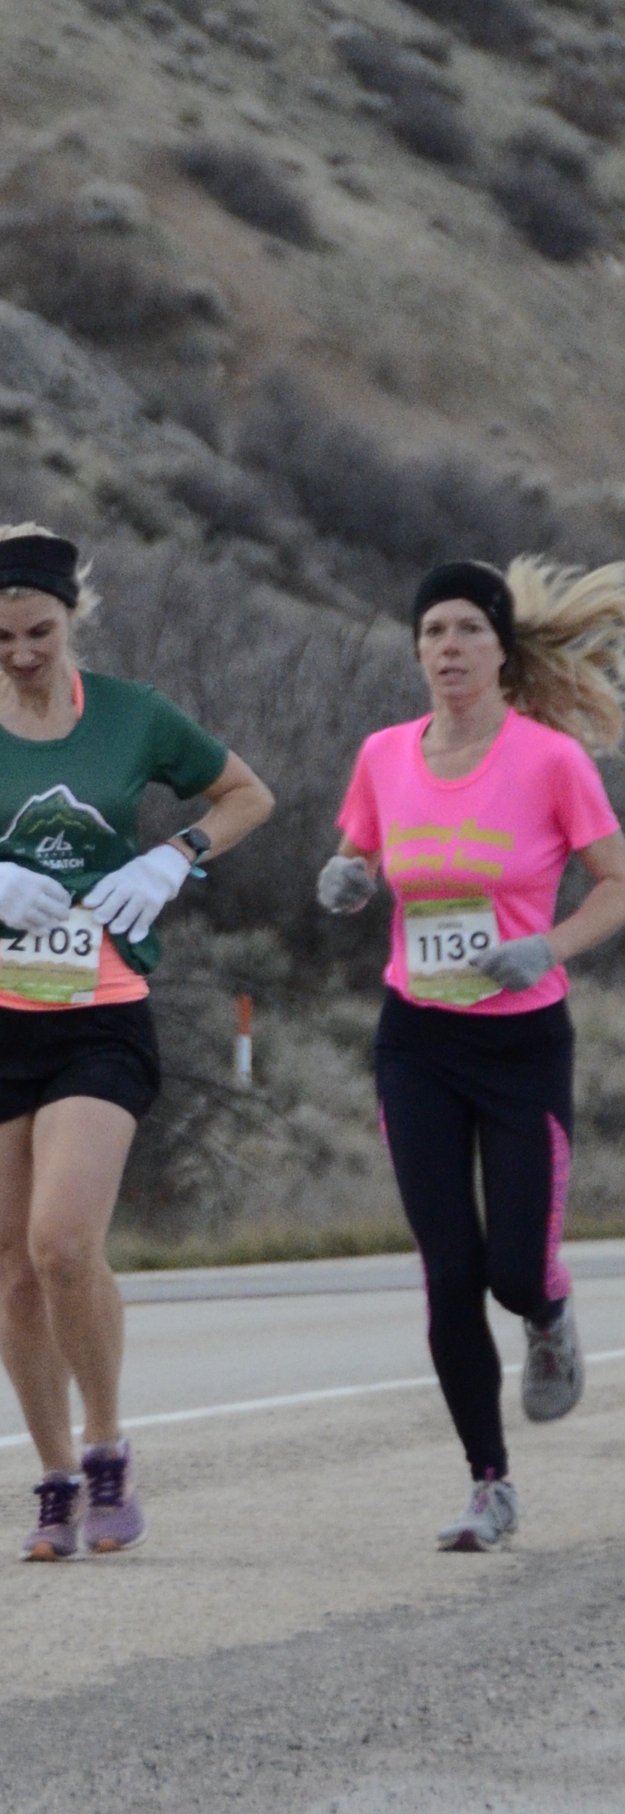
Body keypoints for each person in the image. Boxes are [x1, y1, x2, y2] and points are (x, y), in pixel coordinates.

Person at [0, 524, 272, 1561]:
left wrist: (177, 855)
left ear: (72, 614)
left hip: (100, 1009)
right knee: (14, 1268)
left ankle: (107, 1443)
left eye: (39, 630)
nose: (22, 652)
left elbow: (247, 794)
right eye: (0, 636)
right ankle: (52, 1475)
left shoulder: (132, 715)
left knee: (64, 1243)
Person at [321, 553, 625, 1552]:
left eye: (467, 630)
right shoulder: (384, 755)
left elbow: (616, 882)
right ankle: (489, 1484)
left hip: (522, 1043)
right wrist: (346, 878)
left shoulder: (550, 760)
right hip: (418, 1039)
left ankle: (548, 1311)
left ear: (501, 649)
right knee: (449, 1269)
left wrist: (551, 945)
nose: (447, 648)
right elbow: (359, 853)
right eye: (432, 632)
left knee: (513, 1270)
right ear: (417, 652)